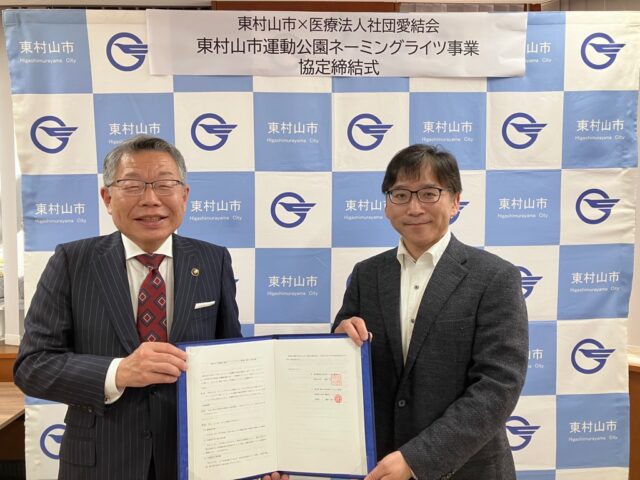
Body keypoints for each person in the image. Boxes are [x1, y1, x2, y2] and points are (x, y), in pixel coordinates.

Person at [14, 135, 287, 480]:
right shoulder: (72, 261)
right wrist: (119, 372)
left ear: (184, 195)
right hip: (100, 463)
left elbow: (231, 363)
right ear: (107, 198)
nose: (150, 199)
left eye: (164, 184)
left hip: (194, 460)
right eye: (132, 186)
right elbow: (33, 366)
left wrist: (257, 451)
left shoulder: (213, 260)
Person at [333, 144, 528, 480]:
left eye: (428, 193)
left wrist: (416, 459)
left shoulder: (495, 277)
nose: (414, 207)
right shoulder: (367, 274)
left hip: (467, 470)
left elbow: (498, 387)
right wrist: (339, 342)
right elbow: (346, 364)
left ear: (455, 201)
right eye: (400, 195)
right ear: (387, 205)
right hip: (379, 466)